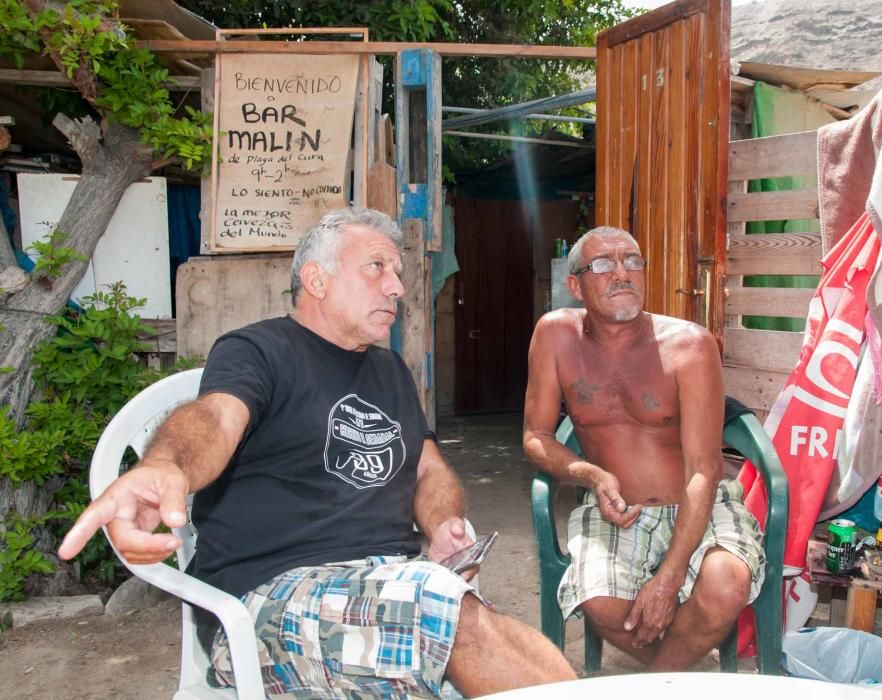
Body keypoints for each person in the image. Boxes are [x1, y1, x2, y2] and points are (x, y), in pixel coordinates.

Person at [59, 207, 575, 698]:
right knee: (451, 619)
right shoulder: (258, 351)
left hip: (385, 580)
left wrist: (442, 525)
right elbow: (215, 418)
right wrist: (164, 465)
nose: (397, 286)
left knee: (478, 628)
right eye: (376, 268)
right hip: (265, 597)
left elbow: (427, 469)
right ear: (317, 280)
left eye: (396, 271)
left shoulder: (390, 369)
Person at [522, 226, 765, 671]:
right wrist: (589, 474)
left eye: (632, 261)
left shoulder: (689, 345)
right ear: (575, 285)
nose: (621, 273)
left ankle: (656, 682)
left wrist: (669, 578)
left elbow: (703, 468)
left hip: (698, 502)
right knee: (599, 603)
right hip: (620, 508)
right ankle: (682, 668)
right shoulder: (555, 336)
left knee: (725, 586)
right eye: (603, 264)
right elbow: (536, 436)